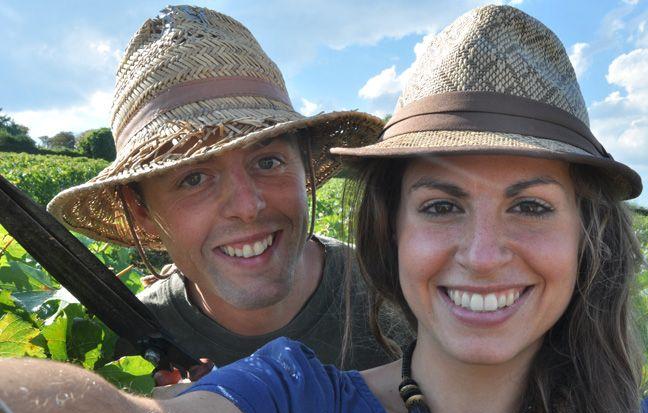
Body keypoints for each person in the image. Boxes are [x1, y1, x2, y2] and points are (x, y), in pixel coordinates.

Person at [2, 5, 648, 413]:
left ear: (587, 239)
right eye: (441, 205)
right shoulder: (294, 400)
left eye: (530, 206)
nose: (483, 255)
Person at [46, 5, 409, 372]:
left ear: (303, 166)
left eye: (267, 162)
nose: (247, 206)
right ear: (142, 211)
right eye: (193, 179)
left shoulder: (401, 296)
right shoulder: (128, 348)